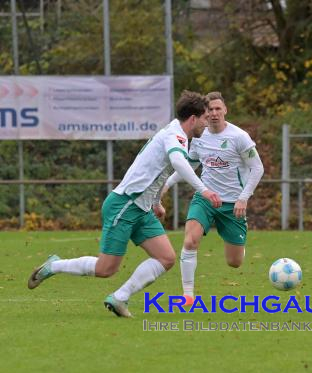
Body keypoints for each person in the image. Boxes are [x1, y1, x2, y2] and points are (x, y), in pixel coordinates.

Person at [27, 90, 222, 318]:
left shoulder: (178, 135)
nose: (206, 124)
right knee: (105, 269)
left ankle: (119, 298)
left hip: (141, 208)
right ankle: (54, 265)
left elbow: (158, 172)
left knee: (166, 258)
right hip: (125, 204)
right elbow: (178, 162)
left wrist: (156, 201)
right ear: (193, 118)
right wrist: (204, 190)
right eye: (204, 119)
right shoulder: (176, 136)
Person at [158, 91, 264, 306]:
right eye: (210, 110)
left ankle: (238, 242)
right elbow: (191, 165)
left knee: (234, 262)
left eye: (218, 109)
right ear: (204, 113)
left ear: (225, 110)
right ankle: (188, 296)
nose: (214, 114)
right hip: (205, 198)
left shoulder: (239, 137)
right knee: (190, 240)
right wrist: (167, 184)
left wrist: (244, 198)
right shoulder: (200, 136)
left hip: (233, 204)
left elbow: (257, 168)